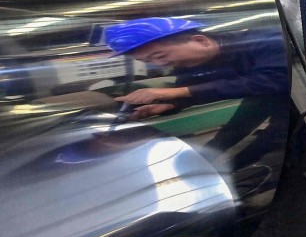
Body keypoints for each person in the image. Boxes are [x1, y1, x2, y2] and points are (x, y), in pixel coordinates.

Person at [105, 17, 290, 174]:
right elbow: (194, 88)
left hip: (298, 96)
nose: (159, 64)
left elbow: (273, 80)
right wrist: (170, 104)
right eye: (148, 61)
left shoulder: (267, 41)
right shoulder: (191, 64)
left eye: (159, 56)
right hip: (263, 96)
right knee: (234, 129)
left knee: (276, 136)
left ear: (201, 41)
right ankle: (201, 166)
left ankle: (233, 175)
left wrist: (174, 93)